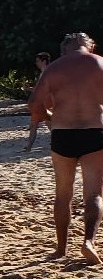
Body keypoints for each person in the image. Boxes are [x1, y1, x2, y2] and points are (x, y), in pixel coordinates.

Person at [28, 32, 103, 263]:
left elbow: (34, 105)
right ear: (89, 46)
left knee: (63, 194)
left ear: (65, 49)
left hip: (63, 133)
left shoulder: (54, 68)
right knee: (94, 193)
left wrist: (50, 116)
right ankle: (88, 241)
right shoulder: (100, 63)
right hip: (95, 132)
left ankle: (61, 248)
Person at [24, 52, 52, 151]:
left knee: (38, 124)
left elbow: (44, 89)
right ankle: (29, 147)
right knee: (37, 123)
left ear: (44, 61)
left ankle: (29, 147)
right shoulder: (46, 72)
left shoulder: (46, 73)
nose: (36, 63)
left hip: (44, 102)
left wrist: (30, 89)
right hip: (43, 101)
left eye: (38, 61)